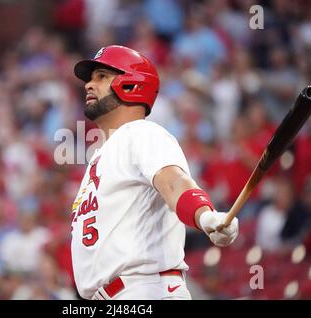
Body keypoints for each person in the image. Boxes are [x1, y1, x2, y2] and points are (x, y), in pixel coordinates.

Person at [71, 45, 239, 300]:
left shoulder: (141, 133)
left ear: (131, 84)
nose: (88, 85)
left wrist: (205, 216)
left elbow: (173, 182)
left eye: (101, 76)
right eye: (90, 79)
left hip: (145, 290)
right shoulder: (100, 154)